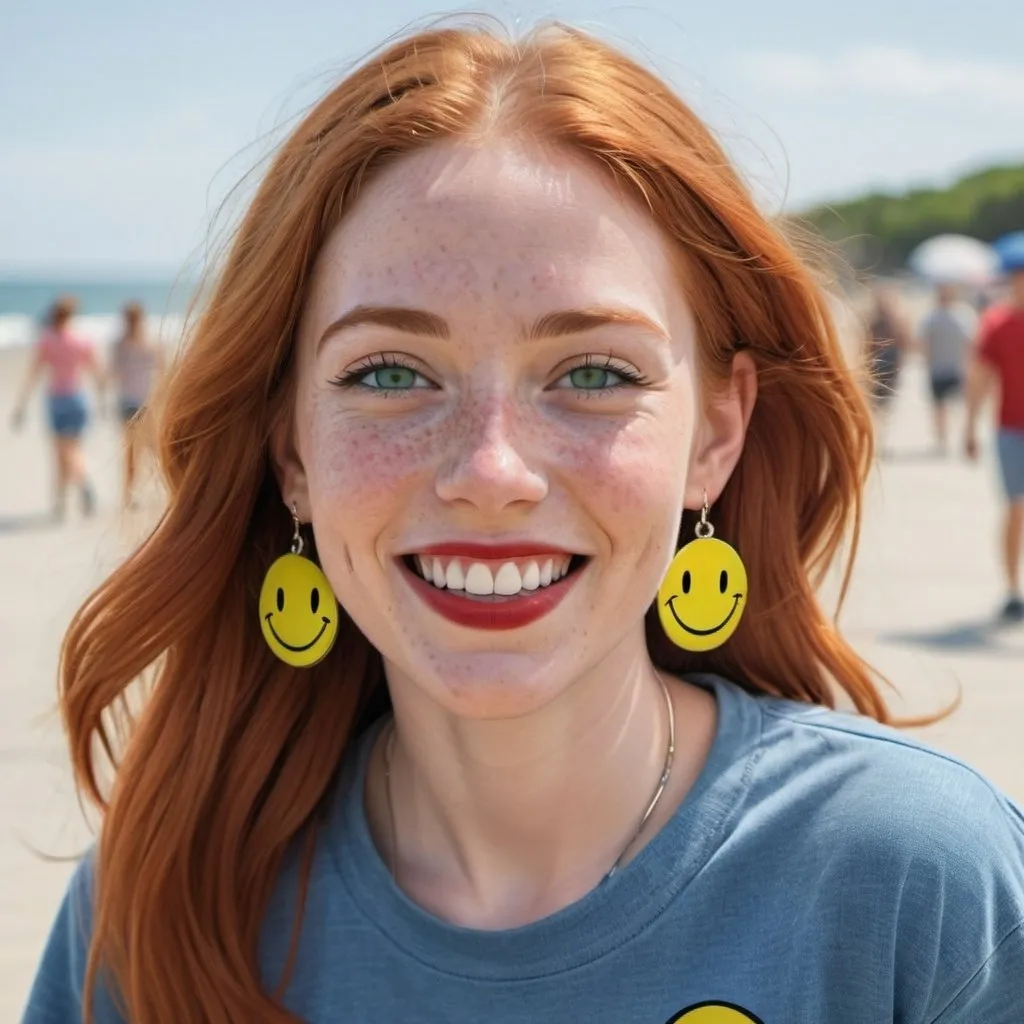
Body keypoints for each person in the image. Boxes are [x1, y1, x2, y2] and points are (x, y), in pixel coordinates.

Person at [23, 23, 1024, 1024]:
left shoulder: (916, 887)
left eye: (593, 372)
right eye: (387, 373)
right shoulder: (159, 908)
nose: (490, 472)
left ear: (717, 432)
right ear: (291, 450)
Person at [965, 259, 1024, 622]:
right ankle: (1012, 588)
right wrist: (970, 426)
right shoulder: (997, 323)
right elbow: (981, 377)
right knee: (1016, 507)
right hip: (1010, 430)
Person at [10, 295, 102, 519]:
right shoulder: (82, 339)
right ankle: (62, 501)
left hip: (57, 400)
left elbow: (34, 373)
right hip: (79, 398)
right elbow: (96, 370)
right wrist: (103, 397)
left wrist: (21, 405)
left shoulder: (47, 340)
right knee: (71, 448)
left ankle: (79, 485)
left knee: (62, 452)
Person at [109, 302, 163, 509]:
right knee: (149, 449)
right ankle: (130, 494)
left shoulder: (122, 345)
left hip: (134, 402)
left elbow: (114, 373)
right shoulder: (148, 343)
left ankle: (130, 495)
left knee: (137, 451)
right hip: (139, 402)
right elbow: (162, 372)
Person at [917, 281, 977, 454]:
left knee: (955, 406)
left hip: (957, 368)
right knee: (940, 406)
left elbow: (970, 343)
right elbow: (924, 343)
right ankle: (943, 439)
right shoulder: (932, 317)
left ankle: (952, 437)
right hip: (939, 367)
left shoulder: (962, 314)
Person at [863, 284, 911, 455]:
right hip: (885, 366)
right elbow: (905, 343)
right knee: (881, 407)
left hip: (880, 366)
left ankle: (877, 440)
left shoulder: (873, 320)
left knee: (877, 406)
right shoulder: (892, 320)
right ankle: (878, 440)